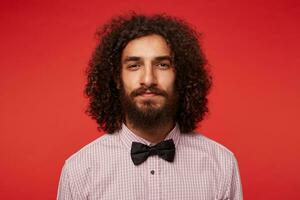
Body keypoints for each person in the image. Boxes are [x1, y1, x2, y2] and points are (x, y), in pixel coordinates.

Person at [57, 13, 243, 200]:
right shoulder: (79, 171)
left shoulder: (221, 164)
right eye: (134, 65)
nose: (148, 79)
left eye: (162, 65)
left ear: (181, 76)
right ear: (117, 79)